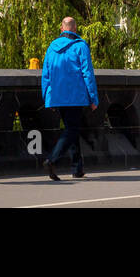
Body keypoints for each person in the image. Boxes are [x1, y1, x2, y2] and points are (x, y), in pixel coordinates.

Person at [40, 16, 99, 181]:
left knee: (71, 129)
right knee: (72, 130)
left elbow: (46, 74)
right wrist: (93, 97)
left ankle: (77, 168)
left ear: (61, 28)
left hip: (58, 95)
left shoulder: (52, 47)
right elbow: (87, 73)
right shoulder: (80, 46)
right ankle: (52, 160)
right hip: (75, 96)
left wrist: (47, 97)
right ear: (75, 29)